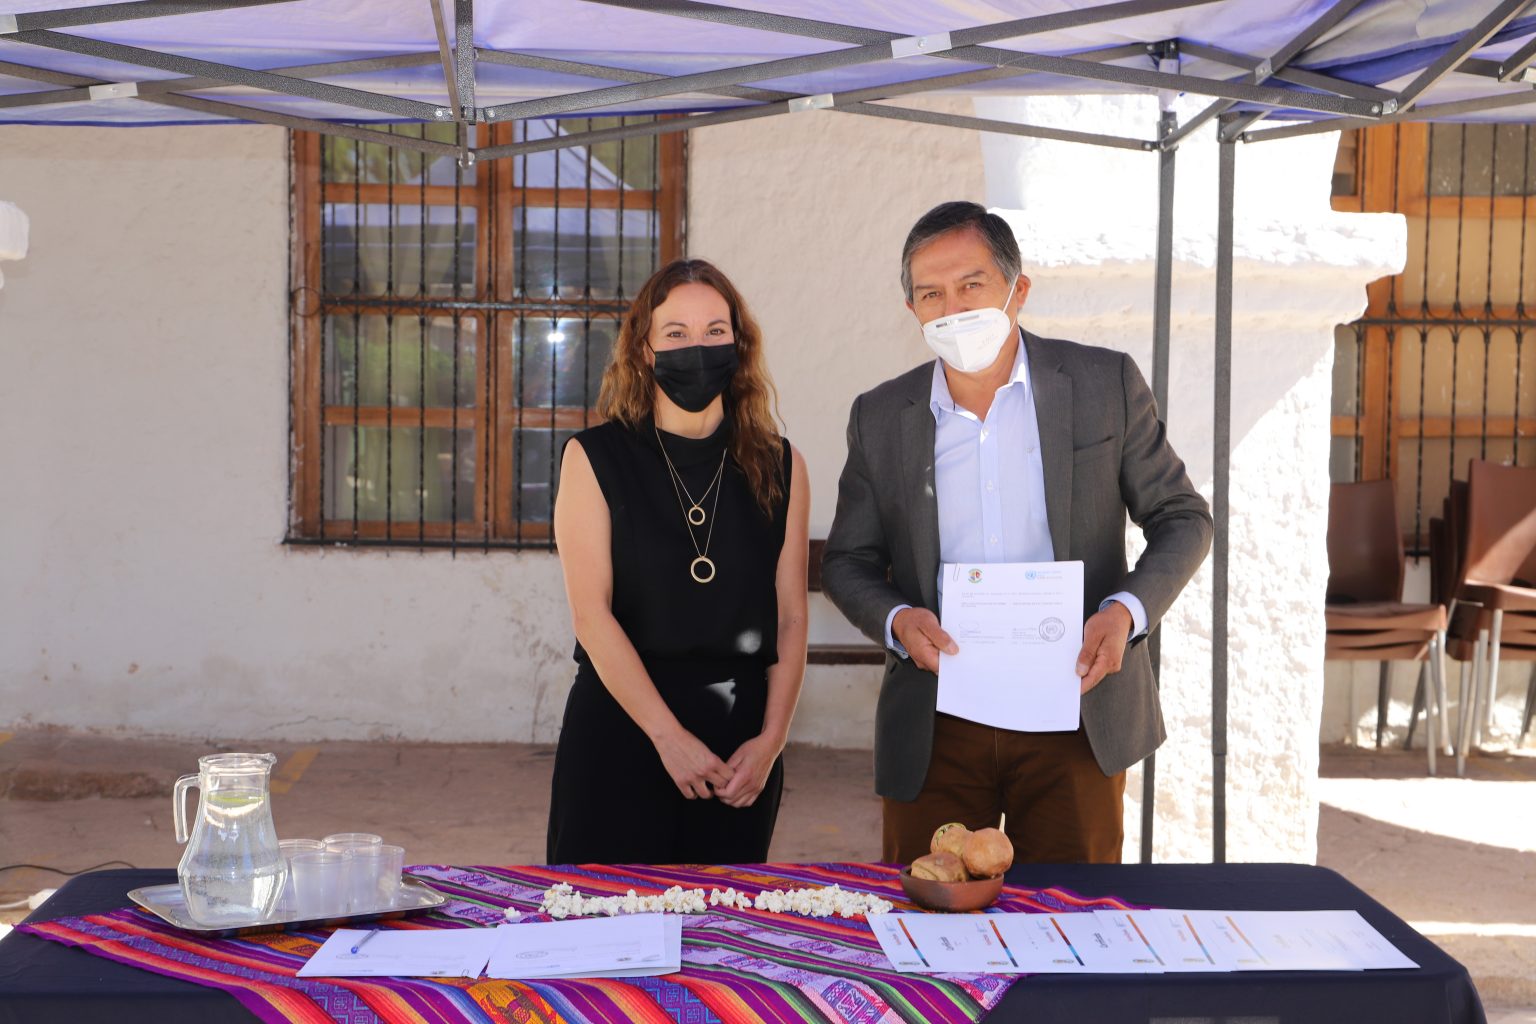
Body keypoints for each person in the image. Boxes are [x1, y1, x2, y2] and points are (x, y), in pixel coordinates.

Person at [821, 201, 1212, 865]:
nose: (951, 306)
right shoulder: (882, 416)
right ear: (912, 308)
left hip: (1077, 707)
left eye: (971, 284)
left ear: (1017, 288)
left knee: (1072, 922)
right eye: (930, 293)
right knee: (933, 923)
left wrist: (1126, 613)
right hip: (938, 715)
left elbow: (1182, 516)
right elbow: (848, 561)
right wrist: (896, 621)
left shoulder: (1101, 383)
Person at [547, 258, 809, 865]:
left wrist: (770, 741)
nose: (699, 347)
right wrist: (668, 738)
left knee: (721, 938)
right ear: (644, 350)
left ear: (739, 345)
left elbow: (792, 617)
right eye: (677, 333)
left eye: (716, 331)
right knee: (601, 928)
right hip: (622, 730)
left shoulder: (783, 465)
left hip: (737, 753)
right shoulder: (594, 458)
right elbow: (592, 616)